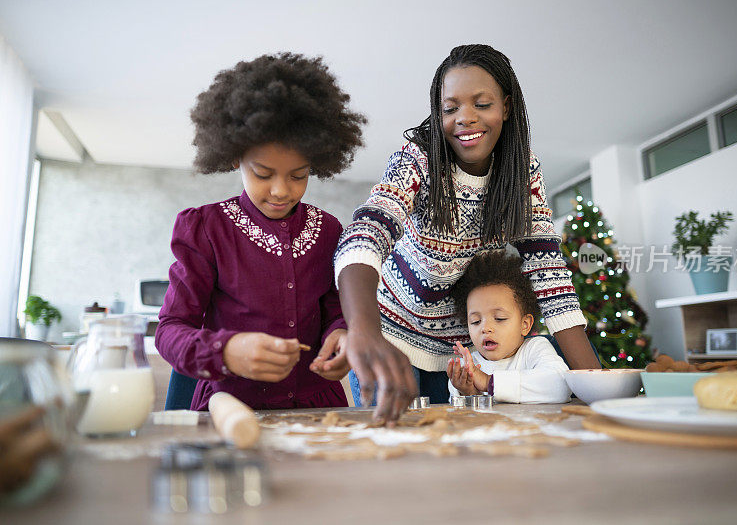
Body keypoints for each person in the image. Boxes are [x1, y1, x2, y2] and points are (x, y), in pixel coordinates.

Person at [332, 44, 599, 423]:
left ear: (506, 106)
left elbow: (548, 272)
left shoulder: (523, 171)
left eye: (482, 104)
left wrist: (595, 384)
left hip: (462, 354)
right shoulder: (419, 158)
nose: (465, 118)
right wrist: (363, 330)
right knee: (395, 453)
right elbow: (367, 232)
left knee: (459, 455)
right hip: (390, 338)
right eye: (450, 107)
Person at [155, 52, 366, 411]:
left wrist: (341, 334)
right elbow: (170, 330)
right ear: (235, 156)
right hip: (231, 409)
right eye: (263, 174)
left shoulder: (329, 230)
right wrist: (226, 352)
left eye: (298, 175)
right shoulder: (205, 229)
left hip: (320, 412)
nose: (281, 190)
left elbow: (335, 307)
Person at [446, 251, 571, 404]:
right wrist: (470, 392)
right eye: (476, 321)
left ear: (524, 325)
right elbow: (465, 420)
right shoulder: (468, 368)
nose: (485, 328)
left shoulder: (534, 349)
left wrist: (488, 383)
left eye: (499, 318)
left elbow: (561, 385)